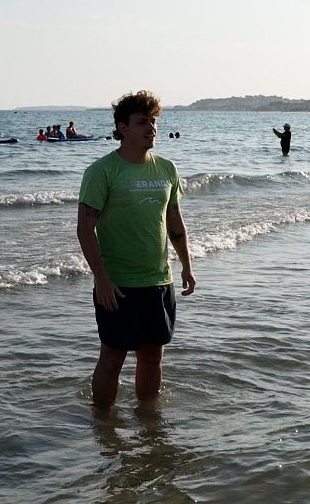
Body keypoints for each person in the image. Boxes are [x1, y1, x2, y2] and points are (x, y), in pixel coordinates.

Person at [77, 90, 196, 409]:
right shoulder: (102, 171)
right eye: (142, 122)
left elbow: (174, 222)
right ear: (122, 127)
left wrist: (186, 265)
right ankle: (103, 426)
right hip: (118, 283)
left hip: (158, 280)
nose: (151, 128)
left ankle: (149, 421)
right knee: (112, 357)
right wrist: (101, 279)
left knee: (153, 356)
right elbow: (85, 229)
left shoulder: (167, 169)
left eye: (154, 121)